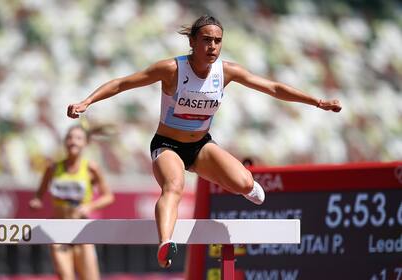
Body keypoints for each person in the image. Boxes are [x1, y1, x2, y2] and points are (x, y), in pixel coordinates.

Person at [66, 15, 342, 268]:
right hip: (167, 146)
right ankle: (165, 244)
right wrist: (86, 101)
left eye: (218, 41)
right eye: (206, 40)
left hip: (200, 146)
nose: (212, 46)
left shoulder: (226, 72)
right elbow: (122, 83)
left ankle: (238, 182)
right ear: (192, 42)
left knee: (245, 183)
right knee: (174, 186)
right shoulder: (172, 69)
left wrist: (317, 101)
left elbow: (272, 87)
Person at [29, 125, 114, 280]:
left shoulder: (90, 167)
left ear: (85, 143)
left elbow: (108, 196)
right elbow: (39, 194)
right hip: (58, 230)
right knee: (65, 276)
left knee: (90, 277)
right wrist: (36, 201)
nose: (73, 141)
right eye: (69, 138)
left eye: (78, 138)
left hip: (82, 230)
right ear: (65, 142)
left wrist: (90, 206)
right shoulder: (53, 168)